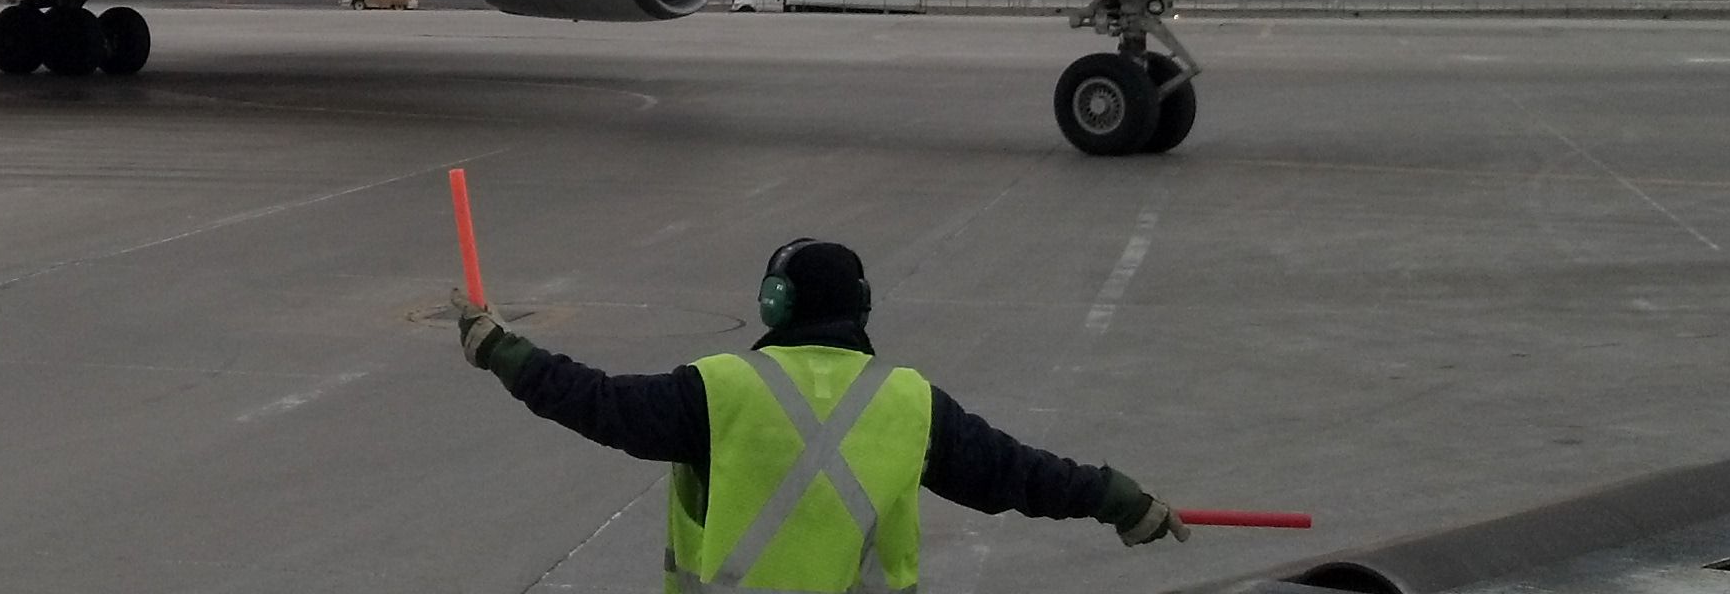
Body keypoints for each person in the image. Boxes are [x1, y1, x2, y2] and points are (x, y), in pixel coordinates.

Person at [453, 237, 1188, 591]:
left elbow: (599, 405)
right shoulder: (910, 401)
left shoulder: (720, 388)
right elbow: (1021, 476)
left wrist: (503, 351)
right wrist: (1121, 500)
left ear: (777, 304)